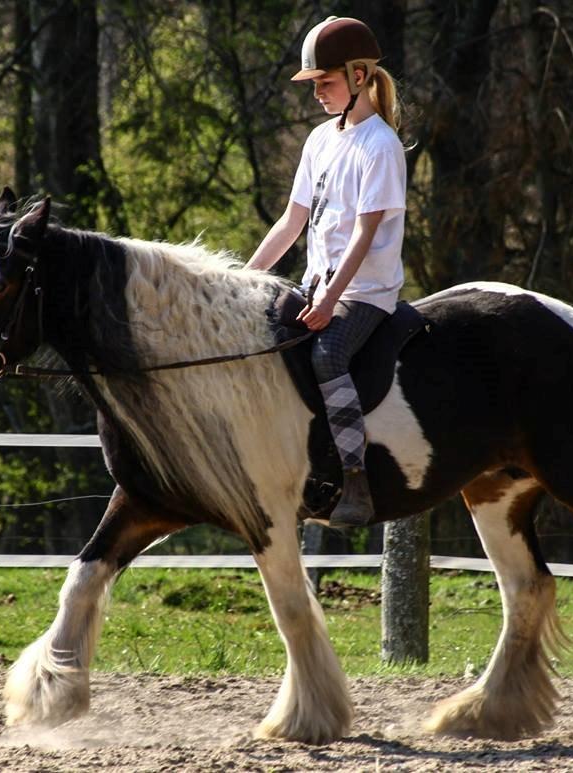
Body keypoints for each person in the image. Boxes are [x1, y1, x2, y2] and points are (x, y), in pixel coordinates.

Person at [246, 16, 407, 528]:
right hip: (319, 284)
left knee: (328, 353)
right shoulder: (319, 139)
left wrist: (331, 299)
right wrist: (242, 279)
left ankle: (356, 477)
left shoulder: (380, 146)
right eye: (314, 84)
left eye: (325, 82)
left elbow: (363, 236)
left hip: (366, 293)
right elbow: (292, 221)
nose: (317, 93)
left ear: (360, 76)